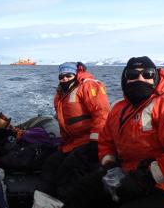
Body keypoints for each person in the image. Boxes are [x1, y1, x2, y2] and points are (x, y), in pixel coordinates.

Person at [66, 56, 164, 208]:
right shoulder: (119, 108)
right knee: (84, 189)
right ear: (125, 78)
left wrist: (146, 177)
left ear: (156, 77)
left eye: (148, 74)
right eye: (132, 75)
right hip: (128, 172)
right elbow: (106, 139)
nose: (140, 78)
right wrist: (109, 162)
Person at [34, 62, 110, 206]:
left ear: (75, 75)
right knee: (51, 164)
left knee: (69, 169)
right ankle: (43, 203)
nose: (65, 79)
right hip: (71, 143)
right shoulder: (60, 96)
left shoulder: (89, 86)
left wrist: (95, 142)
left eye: (68, 75)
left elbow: (102, 113)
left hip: (90, 141)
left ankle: (66, 201)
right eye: (61, 76)